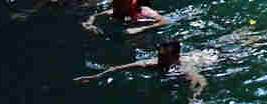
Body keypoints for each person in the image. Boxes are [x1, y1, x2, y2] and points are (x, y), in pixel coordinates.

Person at [75, 38, 207, 95]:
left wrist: (194, 96)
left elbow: (201, 82)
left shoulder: (183, 67)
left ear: (176, 56)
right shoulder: (149, 64)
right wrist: (95, 77)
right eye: (159, 55)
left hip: (208, 58)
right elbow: (116, 68)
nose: (160, 59)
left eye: (164, 56)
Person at [83, 0, 168, 35]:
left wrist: (141, 29)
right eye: (116, 1)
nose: (116, 4)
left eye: (120, 2)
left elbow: (165, 22)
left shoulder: (144, 11)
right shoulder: (117, 8)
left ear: (130, 1)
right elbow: (94, 16)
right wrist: (89, 23)